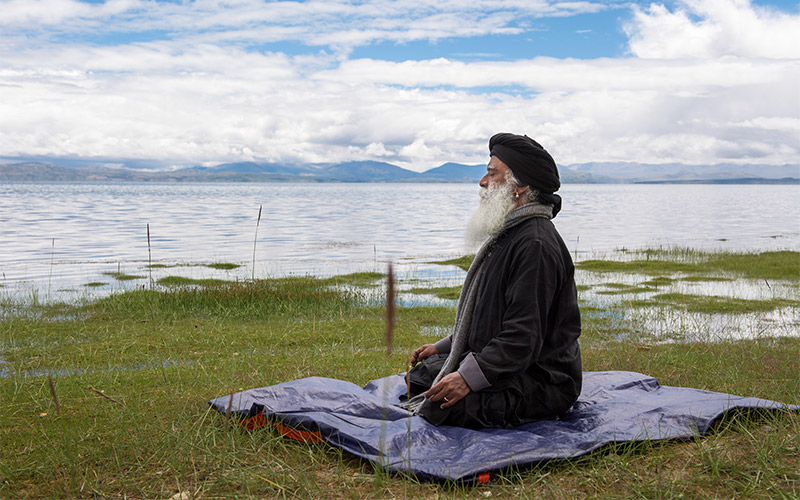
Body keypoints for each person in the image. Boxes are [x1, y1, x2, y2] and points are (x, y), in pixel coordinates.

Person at [402, 132, 582, 429]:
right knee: (420, 378)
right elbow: (491, 316)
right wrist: (444, 347)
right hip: (511, 366)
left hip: (541, 379)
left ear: (520, 186)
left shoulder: (534, 244)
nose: (482, 182)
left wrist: (465, 379)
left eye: (491, 173)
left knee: (440, 408)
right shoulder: (510, 234)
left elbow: (522, 338)